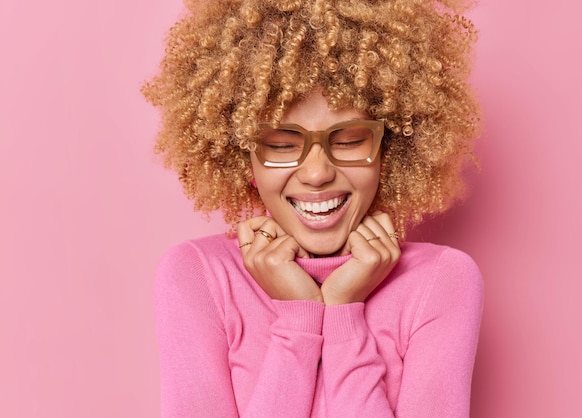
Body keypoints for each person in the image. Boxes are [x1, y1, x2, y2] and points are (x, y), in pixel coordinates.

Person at [143, 0, 483, 416]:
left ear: (388, 150)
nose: (317, 173)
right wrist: (300, 322)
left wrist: (342, 312)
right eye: (283, 144)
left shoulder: (441, 281)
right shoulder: (198, 276)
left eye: (349, 140)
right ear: (243, 158)